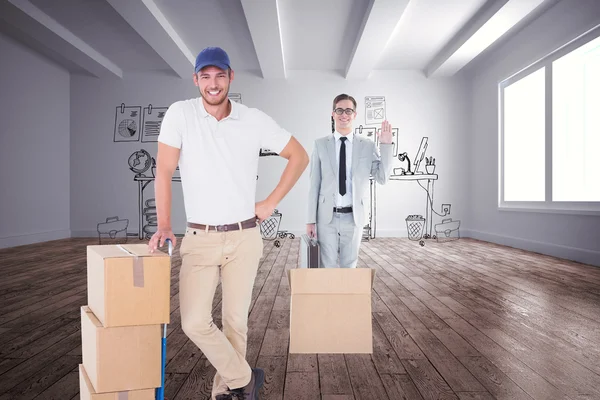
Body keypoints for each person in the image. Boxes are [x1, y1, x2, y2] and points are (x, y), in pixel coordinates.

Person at [148, 47, 309, 400]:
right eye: (205, 76)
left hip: (244, 238)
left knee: (235, 323)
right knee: (193, 321)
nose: (213, 83)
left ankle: (226, 392)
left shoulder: (253, 119)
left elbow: (299, 155)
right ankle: (246, 379)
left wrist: (270, 202)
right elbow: (163, 170)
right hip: (199, 238)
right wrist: (163, 224)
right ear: (196, 80)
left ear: (230, 77)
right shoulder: (180, 114)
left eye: (219, 75)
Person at [306, 93, 394, 268]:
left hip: (354, 218)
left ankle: (346, 296)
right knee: (327, 266)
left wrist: (386, 145)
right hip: (326, 218)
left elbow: (382, 178)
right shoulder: (320, 144)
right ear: (333, 114)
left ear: (355, 114)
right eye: (339, 110)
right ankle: (329, 296)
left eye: (348, 110)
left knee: (350, 266)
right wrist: (310, 220)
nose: (344, 114)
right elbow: (314, 184)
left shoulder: (367, 145)